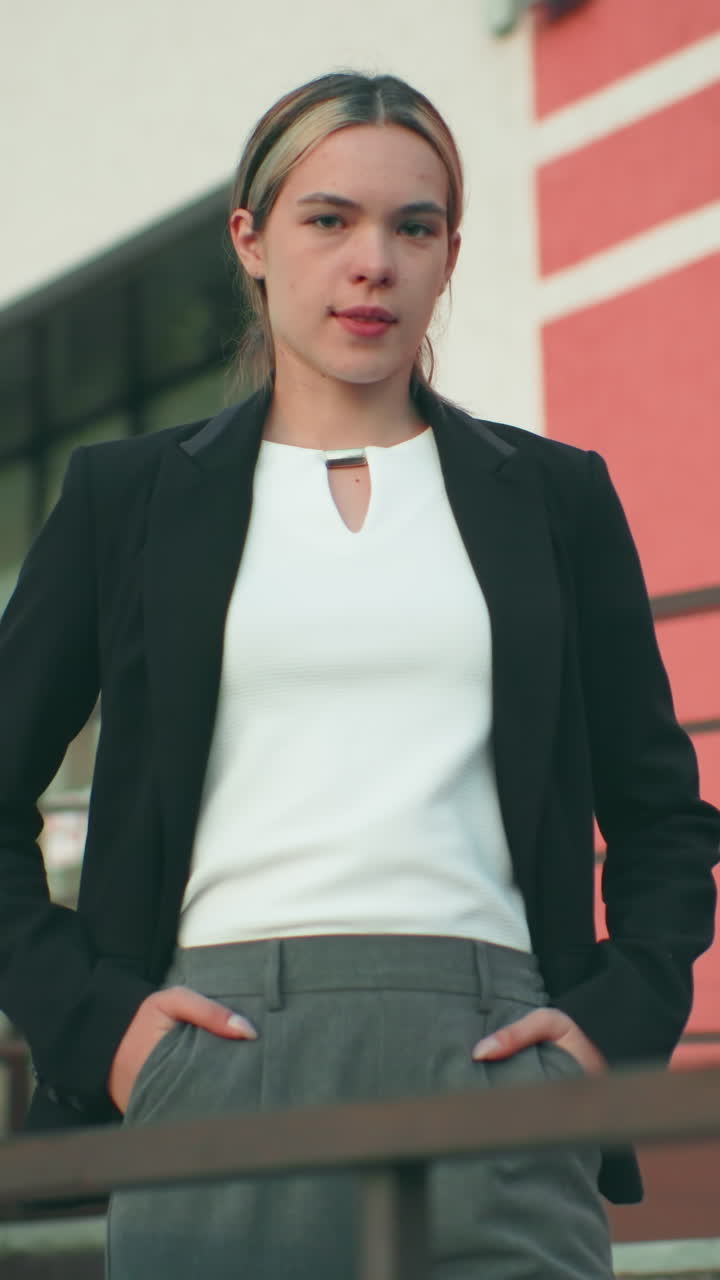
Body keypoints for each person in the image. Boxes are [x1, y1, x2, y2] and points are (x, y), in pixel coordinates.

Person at [0, 70, 718, 1280]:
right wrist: (104, 1029)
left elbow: (662, 814)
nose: (372, 261)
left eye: (414, 225)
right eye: (328, 219)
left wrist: (613, 1031)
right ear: (253, 240)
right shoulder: (125, 500)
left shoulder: (554, 498)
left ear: (447, 254)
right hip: (213, 1056)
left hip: (504, 1057)